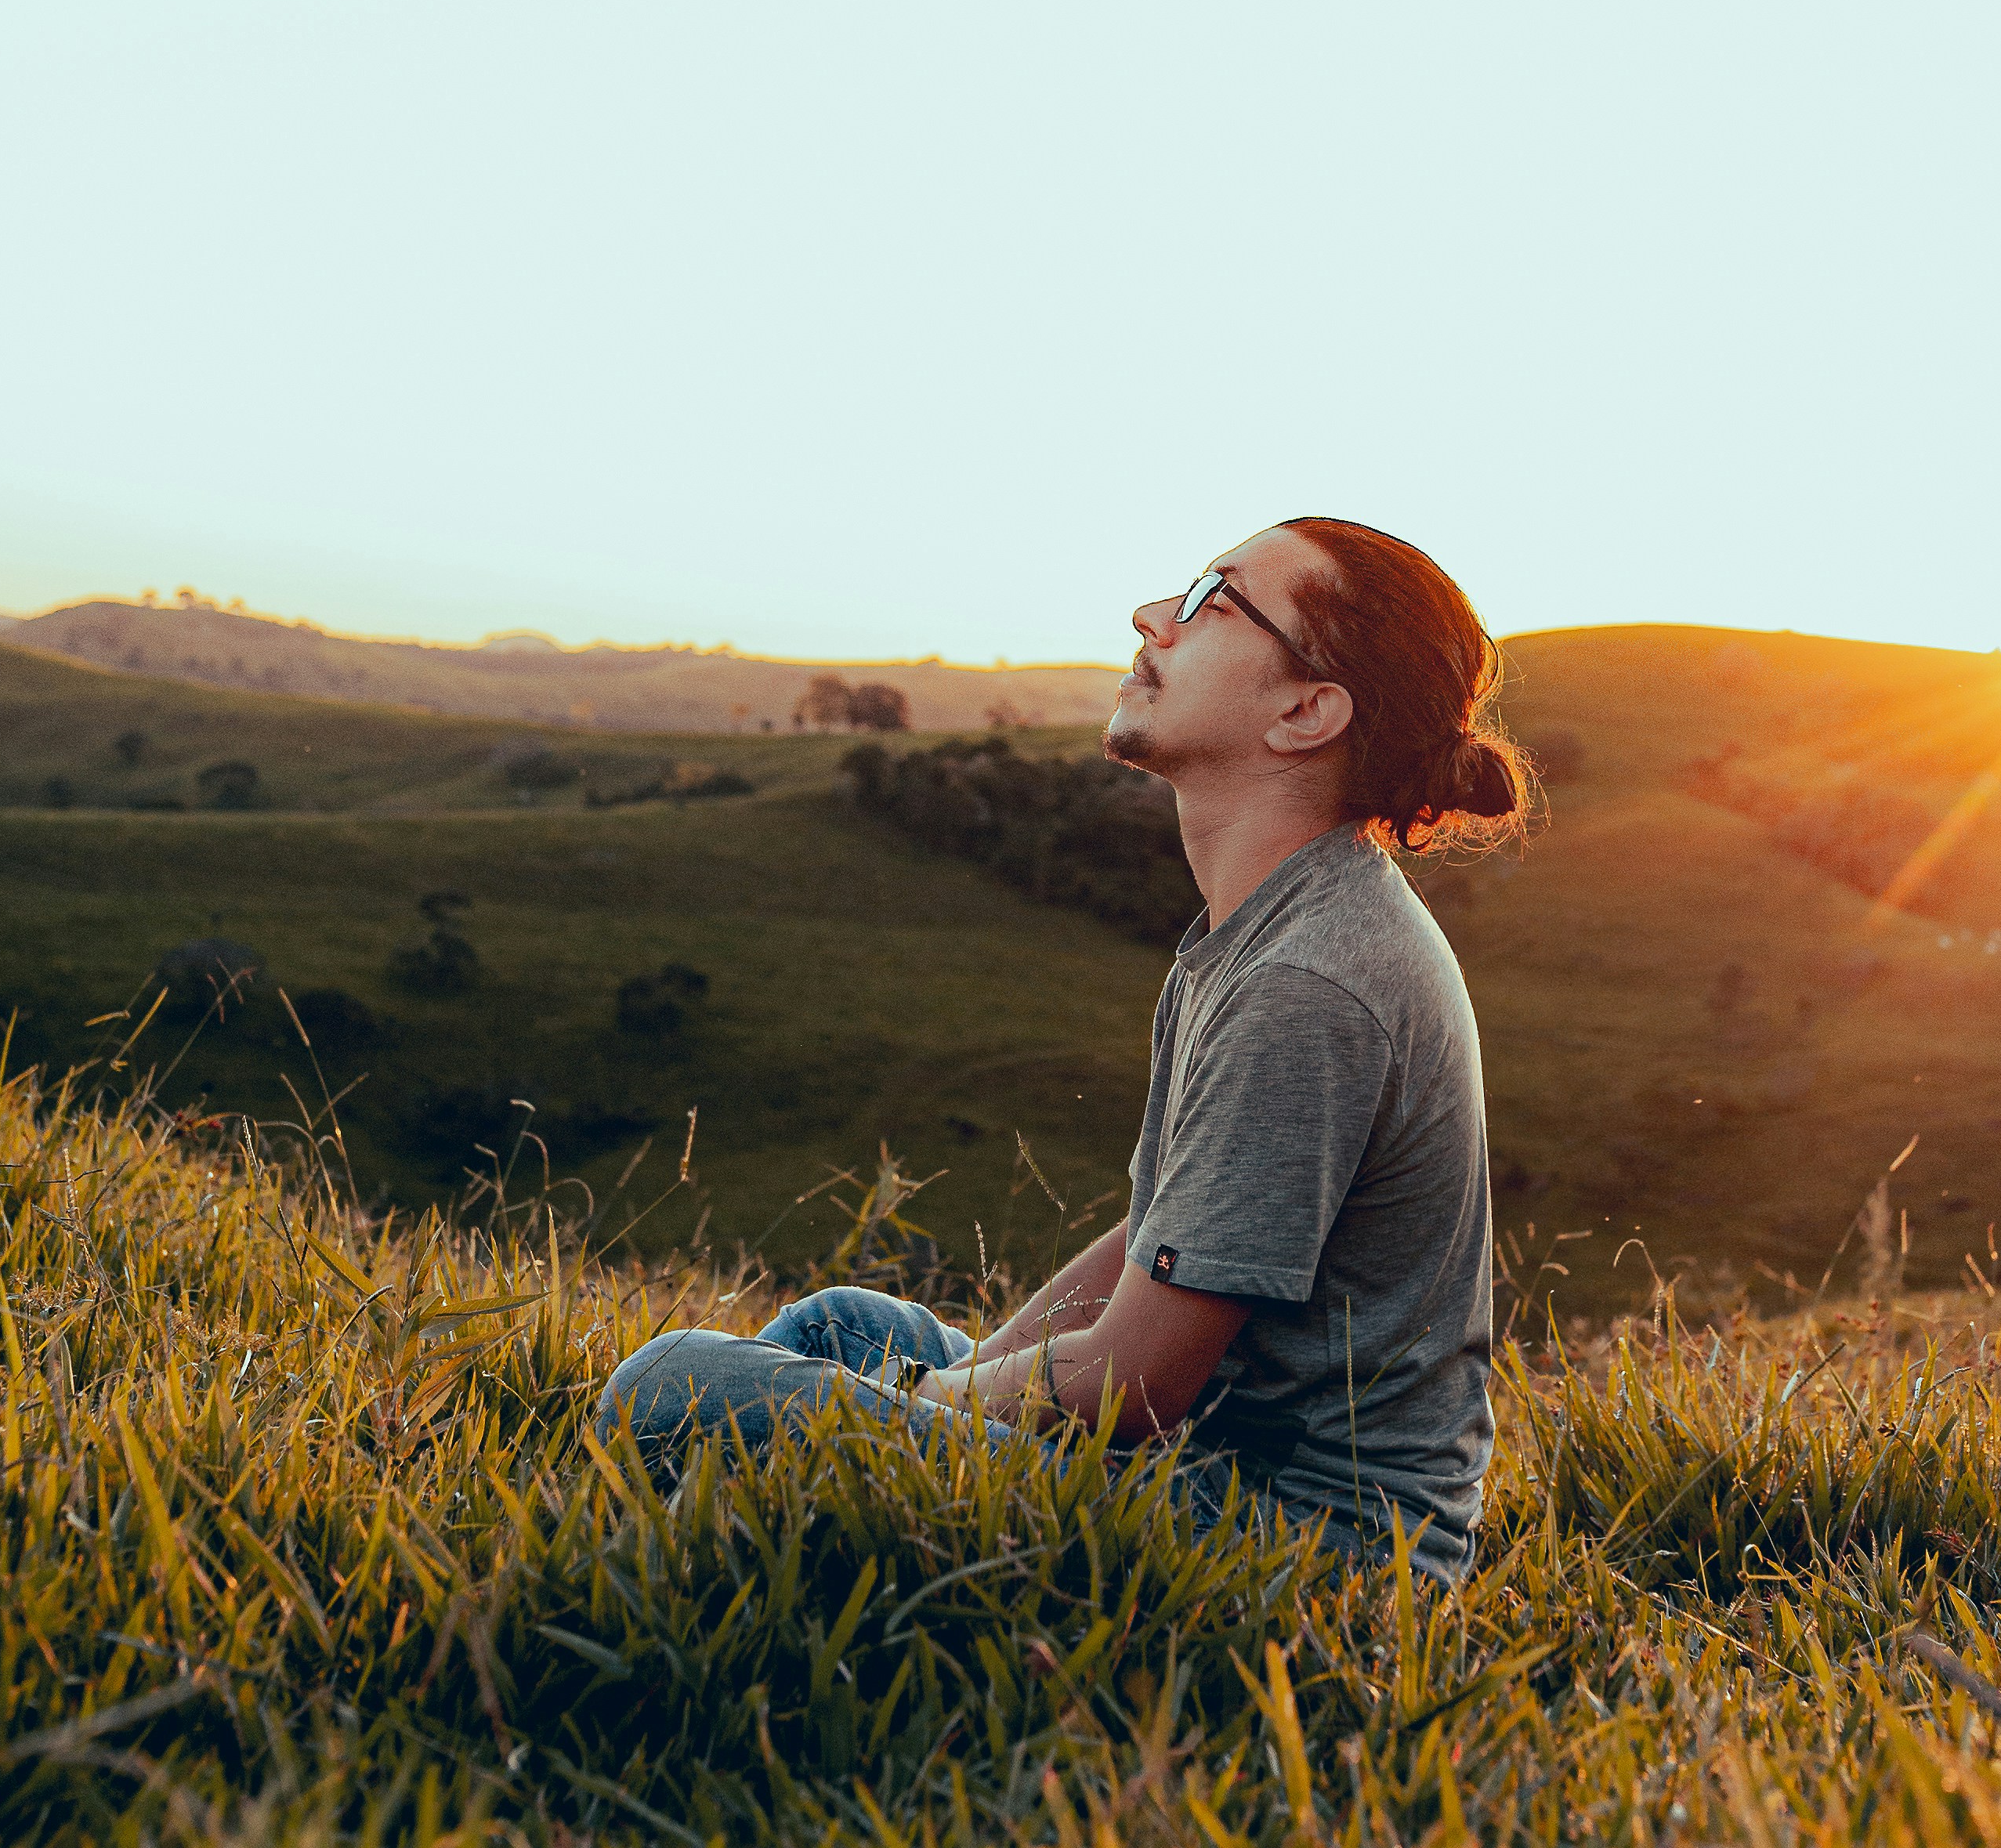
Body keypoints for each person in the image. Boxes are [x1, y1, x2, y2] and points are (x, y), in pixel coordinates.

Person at [595, 519, 1532, 1582]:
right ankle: (737, 1553)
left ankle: (722, 1560)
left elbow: (1134, 1384)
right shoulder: (1283, 926)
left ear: (1306, 713)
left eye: (1210, 599)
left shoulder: (1304, 983)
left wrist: (921, 1407)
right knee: (845, 1325)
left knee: (668, 1383)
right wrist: (961, 1392)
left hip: (1308, 1552)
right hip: (1217, 1481)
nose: (1151, 619)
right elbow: (1162, 1236)